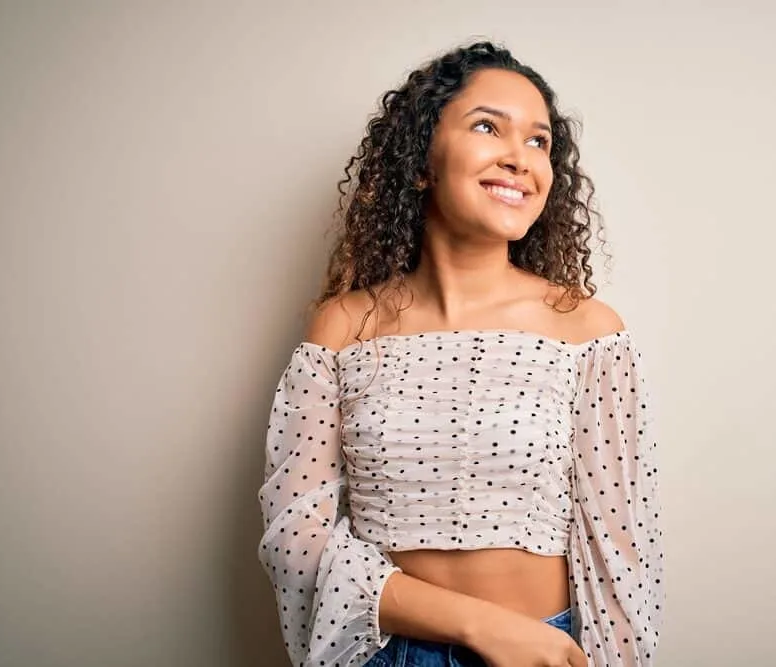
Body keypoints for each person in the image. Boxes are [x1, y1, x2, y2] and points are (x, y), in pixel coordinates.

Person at [257, 41, 664, 667]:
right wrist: (481, 626)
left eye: (539, 142)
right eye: (486, 127)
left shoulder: (587, 331)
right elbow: (296, 539)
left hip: (548, 652)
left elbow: (622, 550)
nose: (520, 159)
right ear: (421, 161)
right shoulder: (342, 328)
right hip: (384, 653)